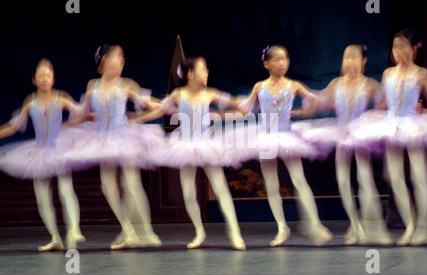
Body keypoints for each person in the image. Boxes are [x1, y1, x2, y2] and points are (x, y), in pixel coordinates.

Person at [132, 56, 246, 250]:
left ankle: (234, 231)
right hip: (184, 145)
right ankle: (199, 231)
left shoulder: (209, 94)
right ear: (191, 74)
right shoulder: (178, 95)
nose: (207, 73)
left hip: (206, 144)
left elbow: (233, 102)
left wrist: (248, 102)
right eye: (203, 69)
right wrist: (137, 118)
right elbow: (160, 111)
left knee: (220, 187)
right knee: (188, 191)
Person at [350, 29, 427, 245]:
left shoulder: (421, 73)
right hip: (392, 125)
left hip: (412, 125)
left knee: (419, 176)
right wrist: (368, 116)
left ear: (413, 50)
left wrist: (425, 112)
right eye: (394, 47)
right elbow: (385, 103)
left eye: (402, 46)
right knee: (394, 177)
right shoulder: (388, 73)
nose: (397, 51)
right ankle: (411, 225)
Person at [66, 44, 165, 250]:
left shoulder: (126, 84)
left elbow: (159, 107)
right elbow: (85, 115)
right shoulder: (92, 85)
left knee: (131, 183)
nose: (122, 60)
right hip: (103, 139)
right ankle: (128, 231)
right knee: (108, 186)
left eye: (123, 57)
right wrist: (65, 125)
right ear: (104, 61)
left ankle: (145, 230)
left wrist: (139, 117)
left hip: (124, 136)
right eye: (118, 56)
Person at [292, 44, 392, 245]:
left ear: (363, 61)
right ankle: (355, 225)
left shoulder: (370, 84)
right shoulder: (335, 83)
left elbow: (386, 104)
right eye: (346, 57)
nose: (349, 62)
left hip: (360, 134)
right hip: (340, 132)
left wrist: (372, 116)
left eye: (354, 57)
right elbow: (319, 105)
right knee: (343, 181)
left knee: (364, 178)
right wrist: (294, 113)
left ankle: (370, 223)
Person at [238, 45, 333, 247]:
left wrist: (300, 113)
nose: (283, 63)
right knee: (271, 184)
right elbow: (247, 108)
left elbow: (317, 101)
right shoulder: (259, 87)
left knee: (299, 179)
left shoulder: (294, 85)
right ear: (267, 63)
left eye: (286, 58)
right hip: (265, 137)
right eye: (278, 59)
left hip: (287, 136)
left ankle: (314, 222)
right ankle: (282, 227)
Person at [0, 58, 85, 251]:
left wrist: (69, 125)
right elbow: (14, 126)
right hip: (38, 151)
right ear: (34, 79)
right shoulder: (30, 101)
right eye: (41, 75)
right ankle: (55, 238)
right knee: (42, 197)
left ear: (53, 79)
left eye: (48, 75)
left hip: (59, 149)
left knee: (65, 189)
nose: (45, 79)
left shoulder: (61, 97)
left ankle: (74, 229)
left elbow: (81, 114)